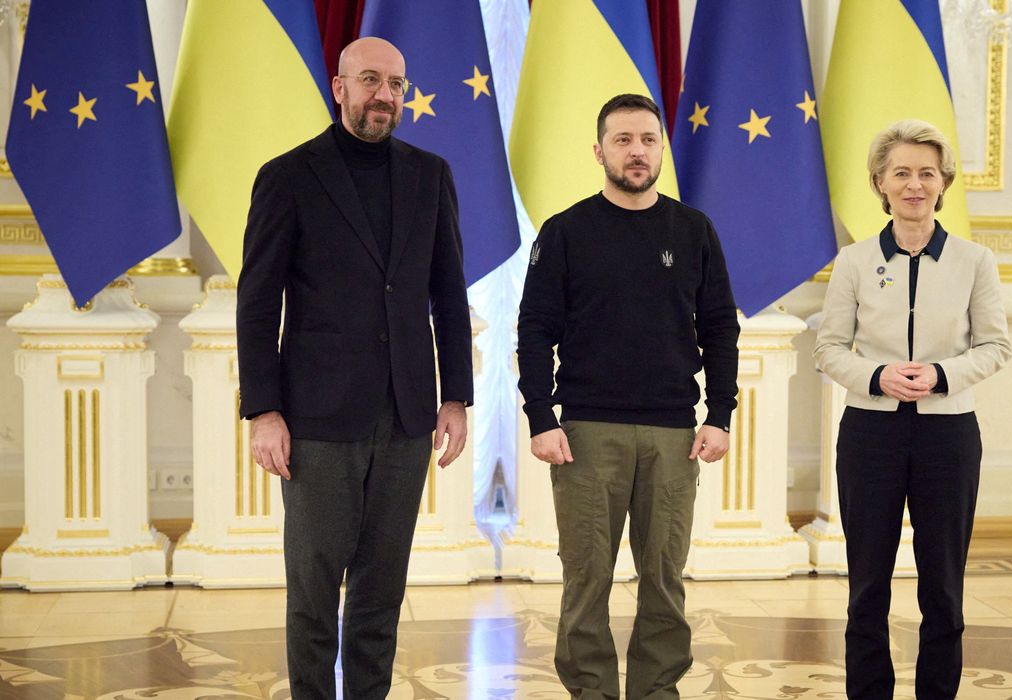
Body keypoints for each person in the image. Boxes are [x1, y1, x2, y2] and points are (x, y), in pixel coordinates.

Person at [235, 37, 473, 700]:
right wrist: (263, 410)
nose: (385, 95)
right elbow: (257, 302)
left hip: (405, 415)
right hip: (315, 418)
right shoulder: (287, 175)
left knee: (381, 586)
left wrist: (455, 397)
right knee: (313, 588)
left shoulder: (431, 175)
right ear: (338, 87)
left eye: (396, 83)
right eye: (369, 80)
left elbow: (447, 294)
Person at [517, 93, 741, 700]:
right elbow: (535, 328)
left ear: (662, 150)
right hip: (587, 434)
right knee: (586, 579)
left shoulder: (693, 230)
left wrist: (719, 414)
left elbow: (720, 326)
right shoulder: (565, 232)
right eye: (623, 140)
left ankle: (656, 691)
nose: (636, 151)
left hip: (675, 435)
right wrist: (541, 416)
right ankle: (591, 691)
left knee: (664, 579)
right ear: (599, 151)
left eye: (648, 140)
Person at [814, 119, 1012, 699]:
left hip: (947, 439)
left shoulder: (975, 261)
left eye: (927, 172)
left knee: (943, 588)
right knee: (867, 586)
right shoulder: (852, 262)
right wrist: (876, 376)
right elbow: (828, 348)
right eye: (901, 172)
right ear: (880, 182)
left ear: (944, 182)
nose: (914, 184)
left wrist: (941, 375)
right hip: (869, 435)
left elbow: (996, 345)